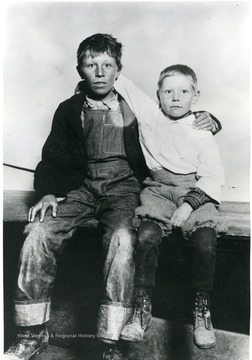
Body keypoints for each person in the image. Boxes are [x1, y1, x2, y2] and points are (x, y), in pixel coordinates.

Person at [4, 33, 220, 360]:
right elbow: (53, 155)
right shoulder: (68, 110)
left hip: (123, 187)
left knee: (123, 239)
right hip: (78, 187)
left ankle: (112, 342)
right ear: (81, 70)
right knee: (38, 232)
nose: (101, 72)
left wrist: (211, 119)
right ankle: (31, 333)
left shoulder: (136, 108)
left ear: (119, 70)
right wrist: (48, 191)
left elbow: (176, 116)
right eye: (92, 65)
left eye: (108, 65)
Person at [119, 64, 226, 349]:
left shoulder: (202, 128)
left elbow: (213, 176)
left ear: (196, 95)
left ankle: (202, 308)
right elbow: (118, 79)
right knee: (147, 235)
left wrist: (188, 207)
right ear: (158, 95)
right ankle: (141, 306)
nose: (175, 97)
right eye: (168, 91)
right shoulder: (150, 113)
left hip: (195, 191)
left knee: (205, 239)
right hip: (158, 189)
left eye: (183, 91)